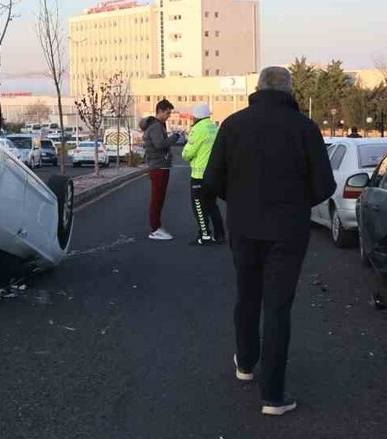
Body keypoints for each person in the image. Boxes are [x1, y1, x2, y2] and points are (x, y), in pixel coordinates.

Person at [203, 66, 334, 416]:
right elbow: (325, 185)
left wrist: (240, 200)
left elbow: (212, 180)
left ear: (258, 88)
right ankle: (273, 395)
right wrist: (296, 204)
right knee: (278, 307)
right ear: (290, 90)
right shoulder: (305, 128)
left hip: (244, 226)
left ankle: (246, 363)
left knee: (247, 296)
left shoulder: (233, 125)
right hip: (288, 231)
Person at [182, 102, 225, 246]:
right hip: (213, 175)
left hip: (199, 176)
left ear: (196, 117)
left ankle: (205, 235)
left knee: (199, 207)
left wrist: (186, 154)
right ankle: (219, 234)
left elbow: (187, 153)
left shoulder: (197, 129)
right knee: (212, 206)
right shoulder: (215, 128)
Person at [139, 99, 180, 241]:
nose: (169, 116)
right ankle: (155, 229)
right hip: (159, 167)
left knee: (159, 198)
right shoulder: (156, 126)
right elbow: (159, 144)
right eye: (167, 113)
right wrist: (175, 137)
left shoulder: (157, 125)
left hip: (160, 165)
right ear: (160, 111)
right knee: (157, 199)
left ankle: (157, 226)